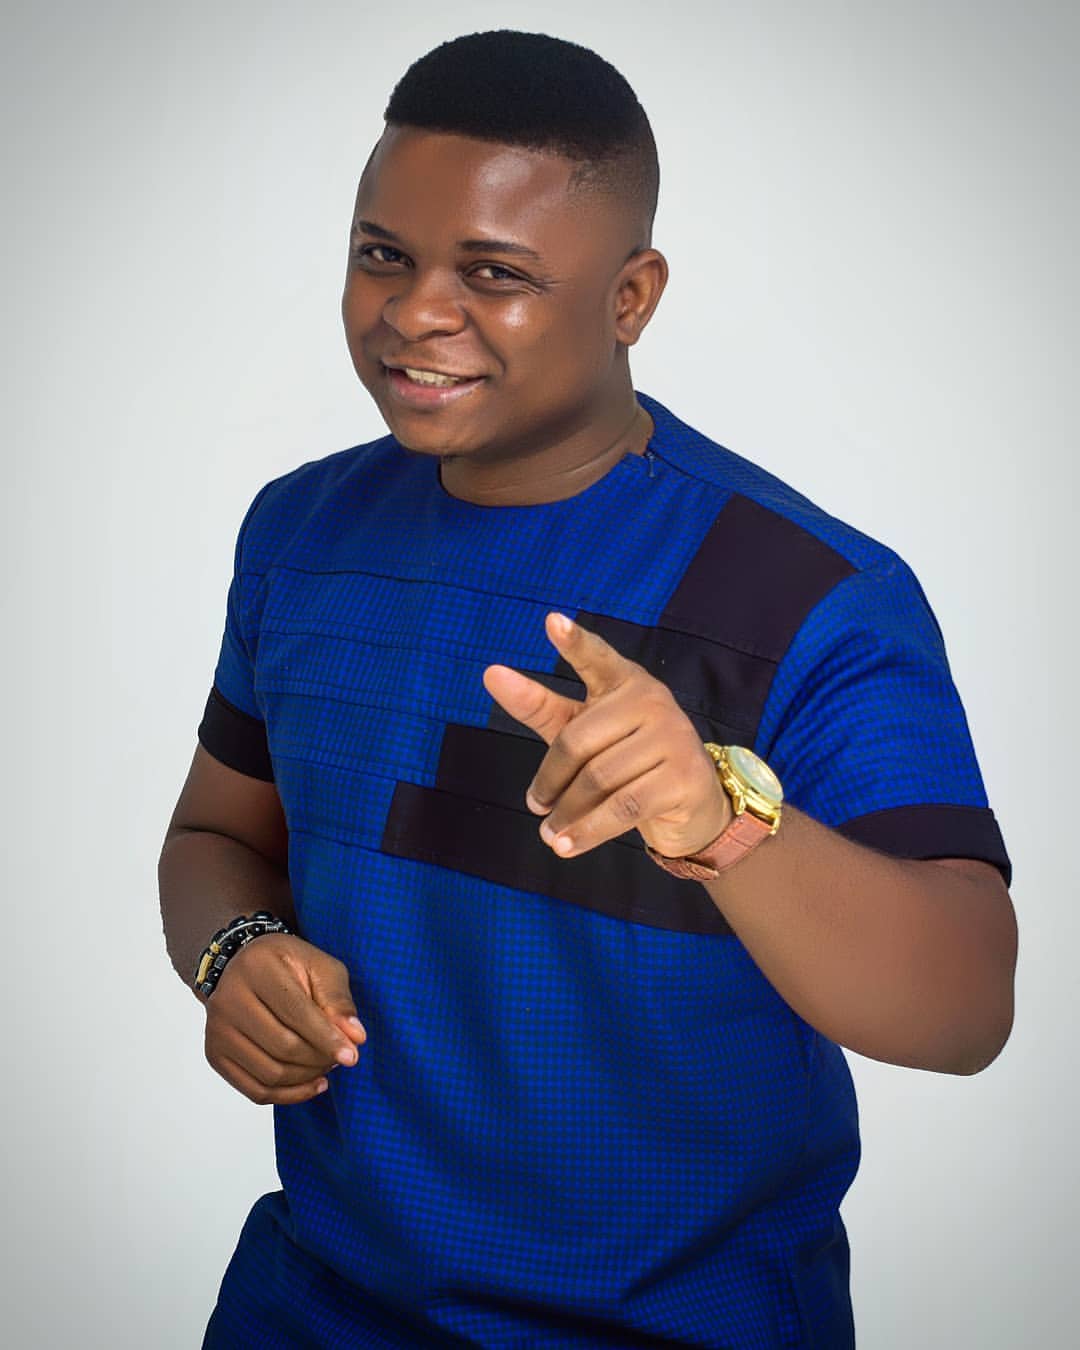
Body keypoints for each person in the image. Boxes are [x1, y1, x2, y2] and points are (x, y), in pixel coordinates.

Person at [159, 29, 1017, 1349]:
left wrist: (722, 826)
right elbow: (215, 835)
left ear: (630, 298)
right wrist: (235, 952)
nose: (414, 311)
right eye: (383, 253)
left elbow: (965, 1006)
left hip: (675, 1325)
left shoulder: (809, 594)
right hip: (311, 1309)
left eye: (493, 274)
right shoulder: (299, 531)